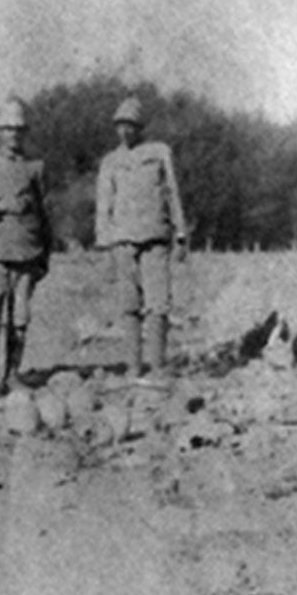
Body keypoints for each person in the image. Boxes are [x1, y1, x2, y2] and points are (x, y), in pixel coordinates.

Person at [95, 96, 187, 382]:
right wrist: (105, 244)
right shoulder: (110, 161)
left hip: (156, 238)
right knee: (128, 306)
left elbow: (172, 192)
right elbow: (103, 205)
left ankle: (157, 366)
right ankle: (133, 367)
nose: (126, 131)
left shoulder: (159, 152)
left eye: (131, 125)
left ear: (141, 127)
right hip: (123, 241)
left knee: (158, 304)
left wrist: (181, 232)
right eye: (120, 126)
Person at [0, 97, 52, 395]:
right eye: (8, 129)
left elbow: (44, 213)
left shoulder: (35, 167)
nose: (14, 135)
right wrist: (0, 206)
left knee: (20, 319)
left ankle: (11, 375)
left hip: (28, 252)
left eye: (19, 129)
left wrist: (46, 254)